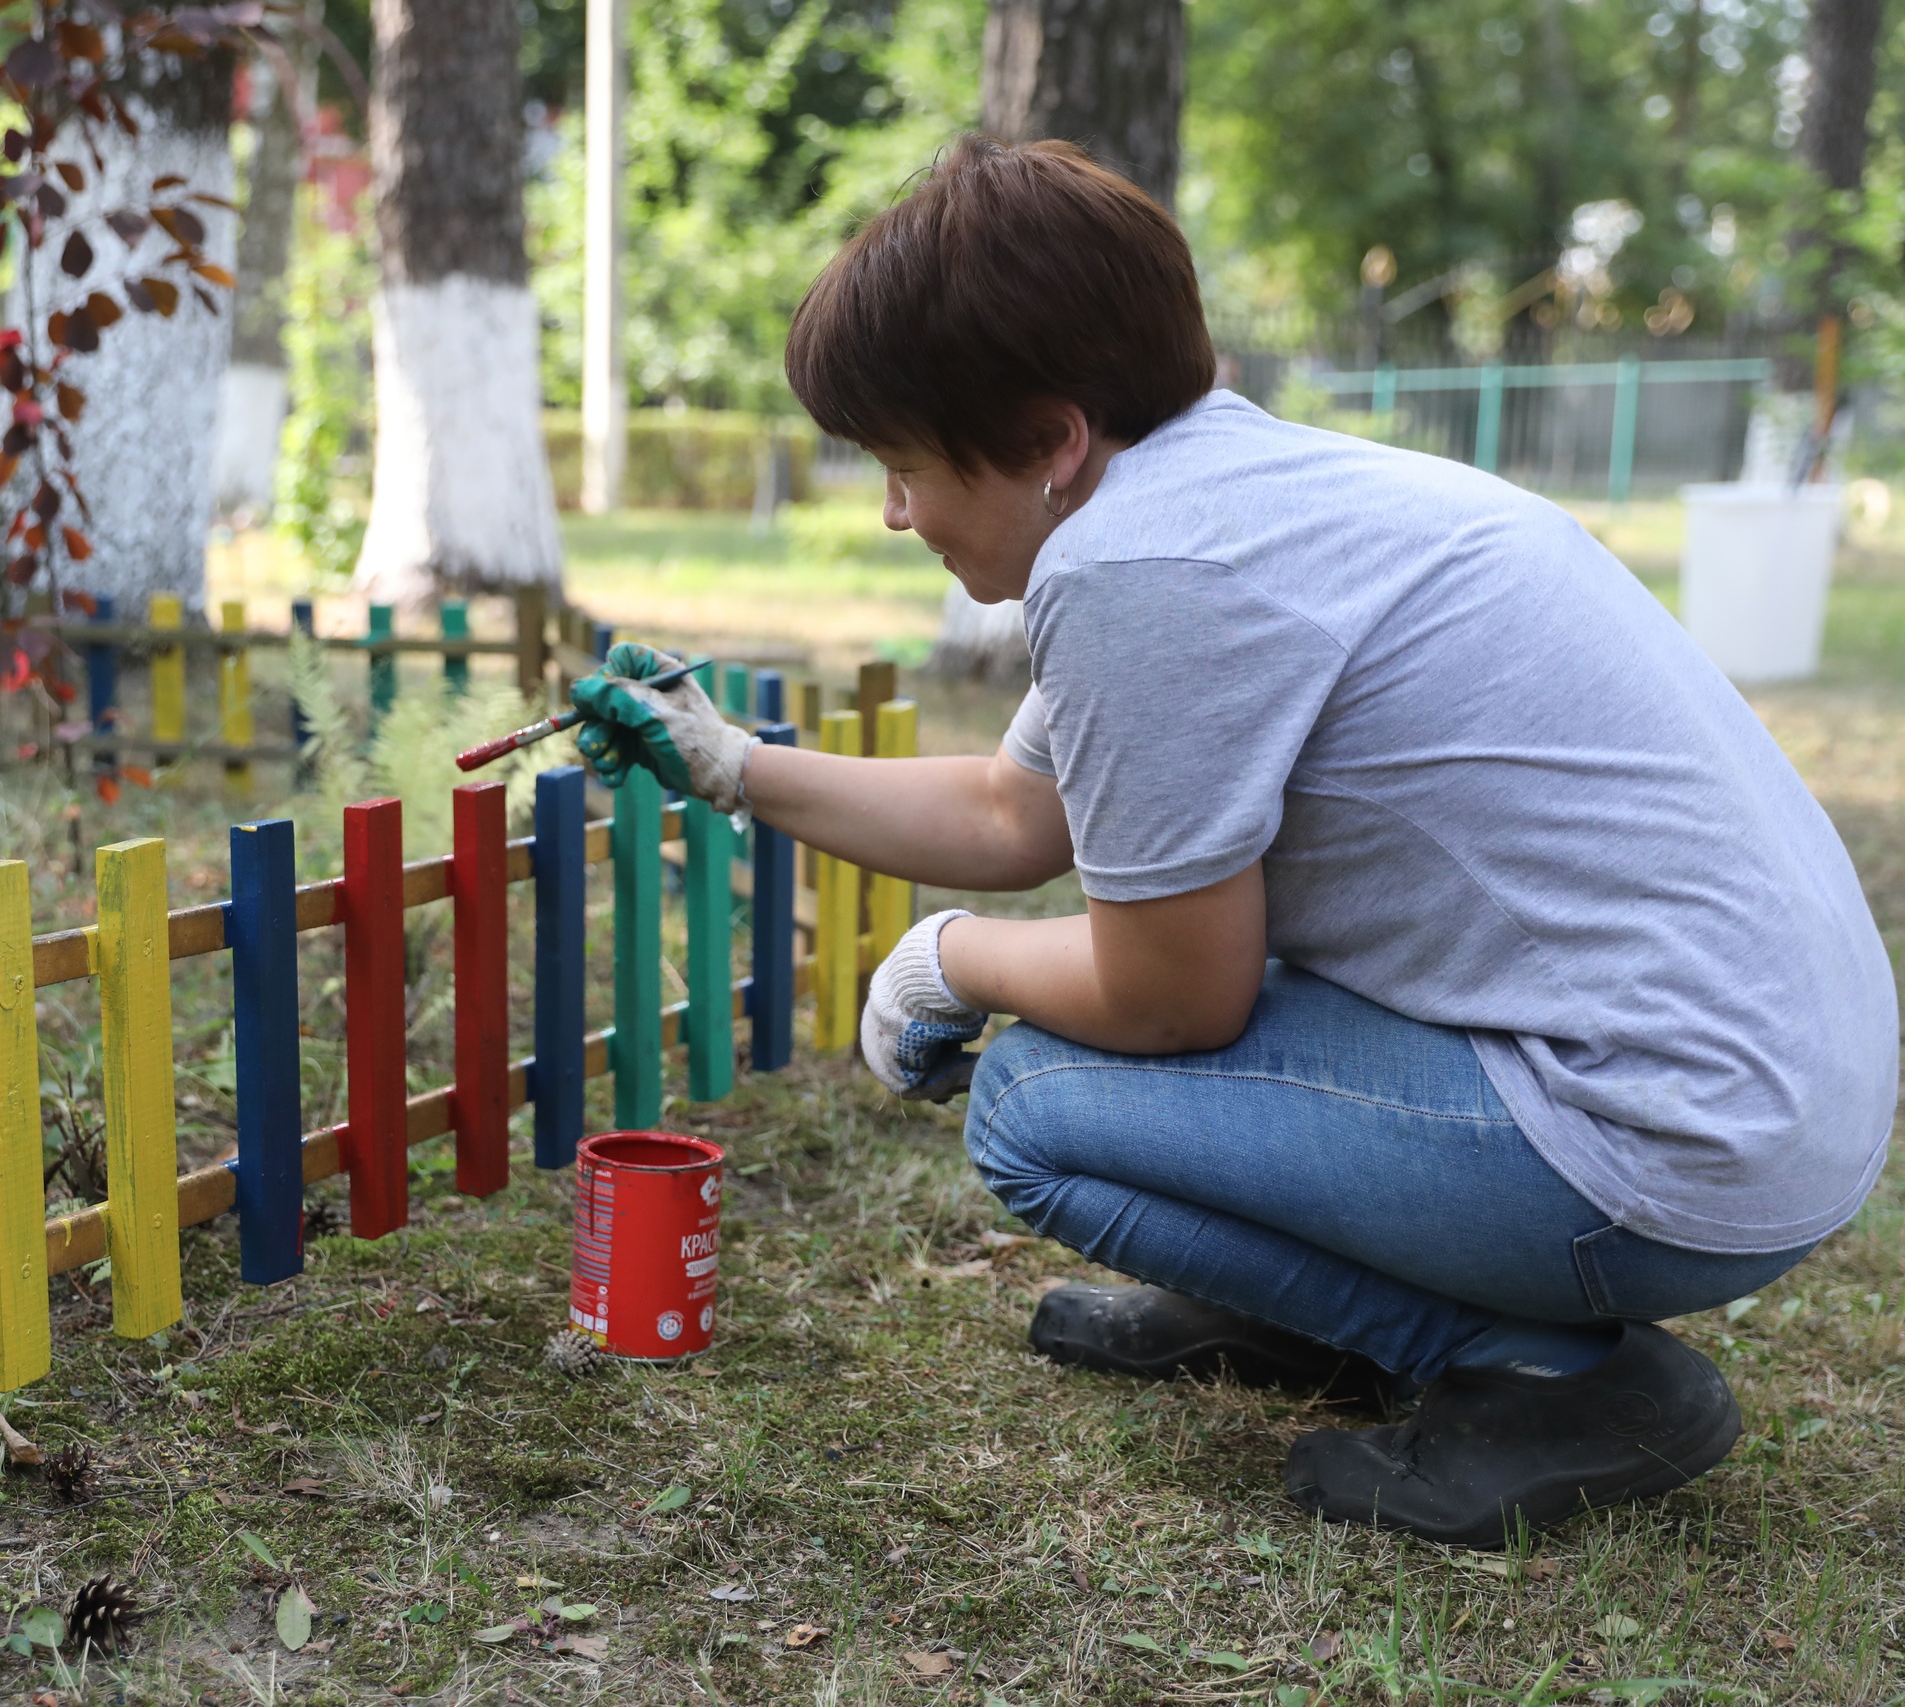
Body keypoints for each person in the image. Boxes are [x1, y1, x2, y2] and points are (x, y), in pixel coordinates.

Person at [564, 136, 1896, 1549]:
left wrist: (954, 955)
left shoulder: (1145, 566)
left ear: (1047, 439)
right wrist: (732, 764)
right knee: (1105, 1051)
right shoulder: (1221, 494)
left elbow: (1171, 995)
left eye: (904, 464)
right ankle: (1307, 1304)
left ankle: (1553, 1379)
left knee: (1035, 1106)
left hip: (1664, 1147)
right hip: (1751, 1098)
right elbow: (1017, 818)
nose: (896, 511)